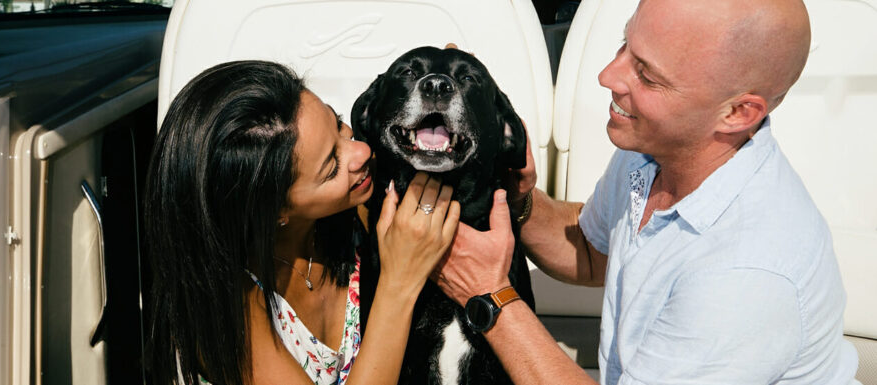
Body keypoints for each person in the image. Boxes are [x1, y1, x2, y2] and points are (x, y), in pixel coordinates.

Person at [434, 0, 861, 383]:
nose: (608, 76)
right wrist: (514, 193)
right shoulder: (660, 150)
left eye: (647, 75)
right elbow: (590, 251)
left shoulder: (747, 275)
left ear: (737, 112)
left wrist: (488, 293)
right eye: (625, 45)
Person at [144, 60, 460, 385]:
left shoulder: (354, 208)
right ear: (273, 213)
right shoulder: (224, 315)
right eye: (331, 167)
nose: (361, 151)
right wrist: (399, 282)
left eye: (337, 124)